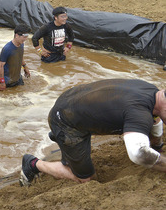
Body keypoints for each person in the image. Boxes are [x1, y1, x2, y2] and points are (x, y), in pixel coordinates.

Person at [20, 79, 166, 187]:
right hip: (66, 122)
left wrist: (157, 146)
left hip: (73, 100)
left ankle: (59, 138)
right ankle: (33, 164)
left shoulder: (152, 91)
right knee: (87, 180)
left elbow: (156, 120)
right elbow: (139, 154)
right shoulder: (139, 113)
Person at [0, 25, 31, 91]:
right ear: (17, 35)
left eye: (27, 37)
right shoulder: (7, 49)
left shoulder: (22, 44)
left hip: (17, 79)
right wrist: (2, 82)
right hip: (7, 81)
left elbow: (20, 56)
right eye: (24, 37)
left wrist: (25, 67)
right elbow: (0, 66)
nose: (25, 39)